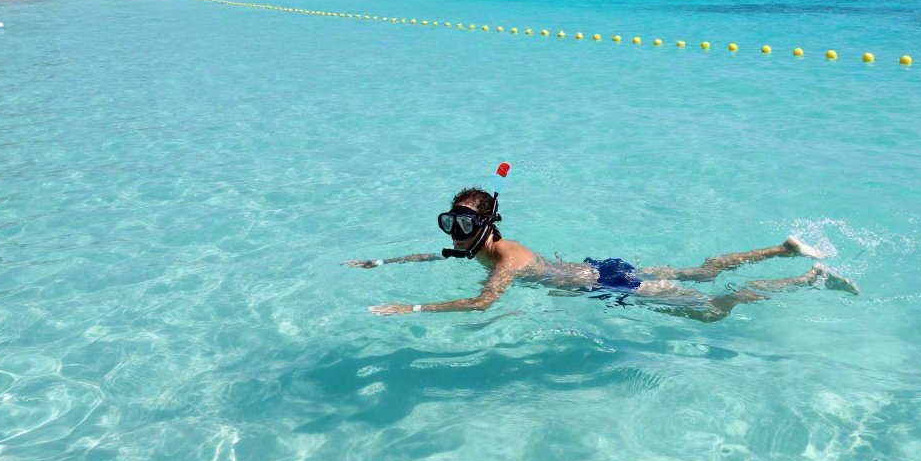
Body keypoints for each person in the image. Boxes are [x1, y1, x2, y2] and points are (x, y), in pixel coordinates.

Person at [347, 187, 859, 322]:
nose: (456, 234)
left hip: (608, 285)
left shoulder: (504, 259)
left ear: (488, 225)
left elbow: (483, 304)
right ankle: (782, 249)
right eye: (450, 223)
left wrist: (410, 309)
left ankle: (806, 279)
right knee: (703, 272)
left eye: (465, 224)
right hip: (601, 269)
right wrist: (381, 264)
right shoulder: (480, 247)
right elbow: (435, 256)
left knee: (710, 309)